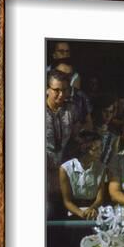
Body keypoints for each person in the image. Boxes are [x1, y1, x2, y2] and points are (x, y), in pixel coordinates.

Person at [59, 131, 106, 220]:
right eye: (96, 149)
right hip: (74, 211)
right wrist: (82, 213)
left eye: (101, 148)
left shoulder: (101, 168)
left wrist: (92, 209)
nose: (100, 152)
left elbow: (100, 198)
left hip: (94, 211)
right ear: (84, 150)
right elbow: (67, 201)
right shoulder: (65, 169)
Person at [45, 70, 72, 219]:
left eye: (64, 90)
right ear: (47, 89)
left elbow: (73, 141)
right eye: (56, 90)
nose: (61, 94)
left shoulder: (70, 111)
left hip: (63, 174)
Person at [92, 96, 120, 165]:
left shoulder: (114, 135)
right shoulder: (89, 130)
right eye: (105, 111)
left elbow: (113, 160)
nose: (108, 115)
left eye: (110, 112)